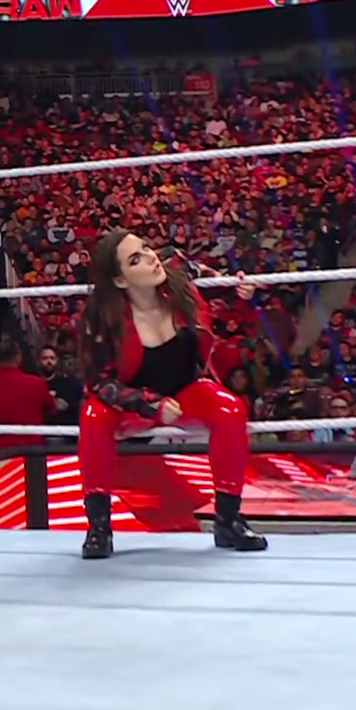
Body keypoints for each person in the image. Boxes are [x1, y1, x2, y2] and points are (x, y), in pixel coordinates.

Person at [76, 229, 268, 559]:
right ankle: (99, 527)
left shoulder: (177, 283)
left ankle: (228, 520)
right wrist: (149, 404)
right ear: (120, 280)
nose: (151, 257)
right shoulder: (102, 318)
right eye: (135, 259)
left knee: (230, 409)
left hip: (185, 390)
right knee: (92, 416)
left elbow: (201, 272)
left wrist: (237, 287)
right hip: (130, 402)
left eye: (146, 248)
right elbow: (99, 383)